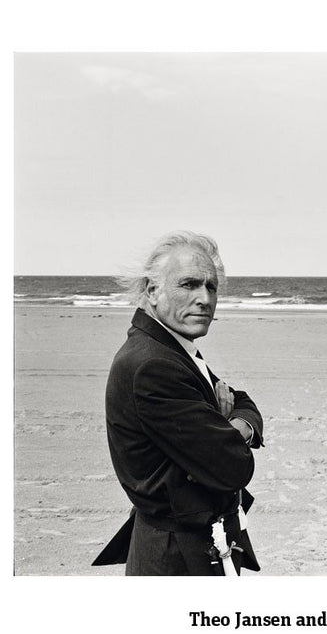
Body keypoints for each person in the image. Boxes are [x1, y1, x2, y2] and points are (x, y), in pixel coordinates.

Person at [93, 231, 263, 575]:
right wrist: (223, 424)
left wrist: (234, 425)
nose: (204, 298)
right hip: (177, 557)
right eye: (189, 284)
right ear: (152, 291)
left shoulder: (170, 347)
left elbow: (242, 401)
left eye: (211, 287)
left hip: (191, 543)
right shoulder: (154, 365)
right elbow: (233, 466)